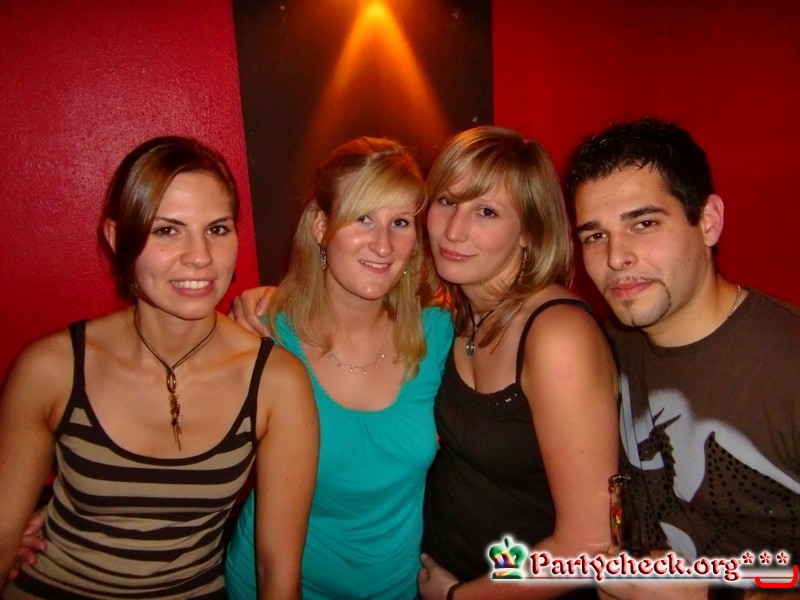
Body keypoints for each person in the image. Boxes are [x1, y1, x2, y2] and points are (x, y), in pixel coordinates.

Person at [0, 136, 319, 599]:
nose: (200, 256)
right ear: (117, 239)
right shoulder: (53, 368)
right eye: (167, 230)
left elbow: (278, 573)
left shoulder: (276, 382)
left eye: (217, 229)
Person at [565, 118, 800, 597]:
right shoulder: (603, 345)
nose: (615, 257)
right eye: (594, 235)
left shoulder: (787, 363)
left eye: (644, 224)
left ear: (708, 221)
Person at [224, 137, 453, 599]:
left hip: (393, 589)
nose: (383, 244)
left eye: (400, 222)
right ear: (321, 226)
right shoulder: (268, 335)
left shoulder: (439, 334)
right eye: (362, 217)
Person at [416, 125, 619, 600]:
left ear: (530, 231)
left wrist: (458, 597)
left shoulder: (557, 337)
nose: (453, 230)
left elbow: (588, 545)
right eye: (446, 201)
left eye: (486, 211)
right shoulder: (460, 309)